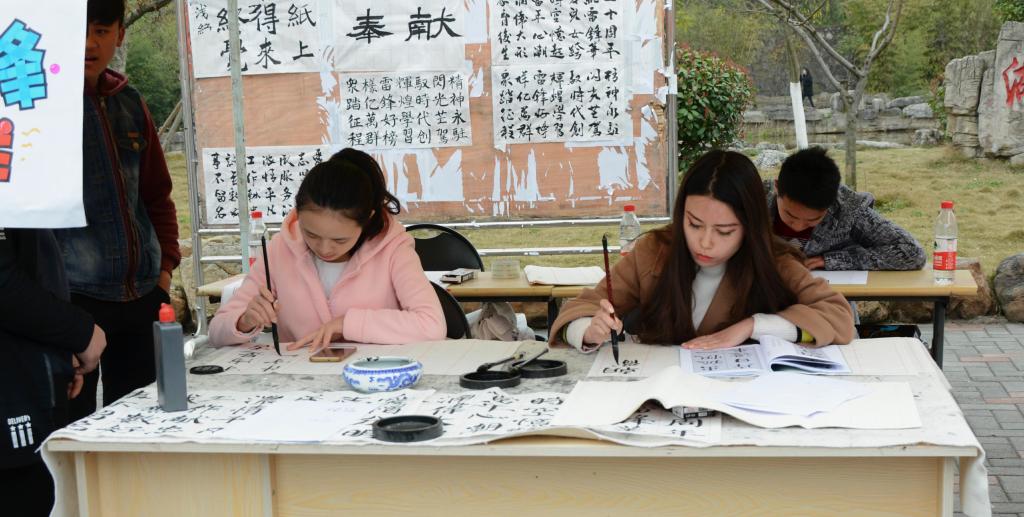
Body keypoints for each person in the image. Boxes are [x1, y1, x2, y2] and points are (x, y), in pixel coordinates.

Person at [550, 150, 855, 351]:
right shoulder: (655, 252)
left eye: (724, 231)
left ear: (749, 226)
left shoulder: (775, 262)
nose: (705, 242)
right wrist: (589, 331)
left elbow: (838, 316)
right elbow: (583, 308)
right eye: (694, 224)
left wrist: (753, 326)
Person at [55, 0, 181, 421]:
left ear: (120, 35)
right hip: (74, 298)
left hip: (143, 293)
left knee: (144, 422)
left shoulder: (130, 102)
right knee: (72, 425)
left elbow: (157, 195)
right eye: (79, 31)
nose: (89, 44)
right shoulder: (40, 109)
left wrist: (164, 272)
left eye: (101, 31)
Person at [209, 148, 446, 351]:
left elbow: (432, 324)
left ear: (366, 220)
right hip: (299, 381)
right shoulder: (280, 249)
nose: (324, 248)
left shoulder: (393, 249)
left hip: (375, 378)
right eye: (310, 234)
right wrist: (243, 321)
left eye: (340, 240)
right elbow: (217, 331)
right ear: (297, 214)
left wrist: (347, 324)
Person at [0, 227, 107, 516]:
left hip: (34, 368)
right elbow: (5, 283)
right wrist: (80, 332)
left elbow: (35, 272)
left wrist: (61, 347)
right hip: (13, 397)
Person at [766, 147, 926, 271]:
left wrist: (831, 260)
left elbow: (911, 252)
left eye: (812, 220)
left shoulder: (849, 209)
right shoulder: (755, 198)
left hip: (829, 295)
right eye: (790, 215)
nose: (798, 226)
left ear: (832, 203)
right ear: (777, 188)